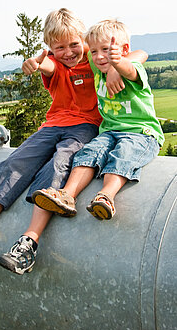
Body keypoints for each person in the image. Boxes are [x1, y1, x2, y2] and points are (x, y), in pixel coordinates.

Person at [0, 10, 146, 275]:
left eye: (74, 45)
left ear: (83, 41)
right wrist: (34, 63)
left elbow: (141, 55)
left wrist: (118, 67)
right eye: (60, 47)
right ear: (50, 49)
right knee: (10, 166)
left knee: (57, 166)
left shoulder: (95, 63)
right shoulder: (55, 64)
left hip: (84, 128)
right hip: (51, 126)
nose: (68, 52)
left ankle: (29, 242)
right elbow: (46, 64)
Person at [33, 19, 164, 223]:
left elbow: (136, 60)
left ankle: (107, 196)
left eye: (106, 50)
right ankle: (67, 195)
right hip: (109, 131)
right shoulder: (96, 67)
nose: (100, 57)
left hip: (140, 133)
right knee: (88, 153)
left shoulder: (132, 70)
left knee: (123, 156)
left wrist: (117, 64)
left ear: (124, 50)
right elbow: (72, 52)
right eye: (94, 52)